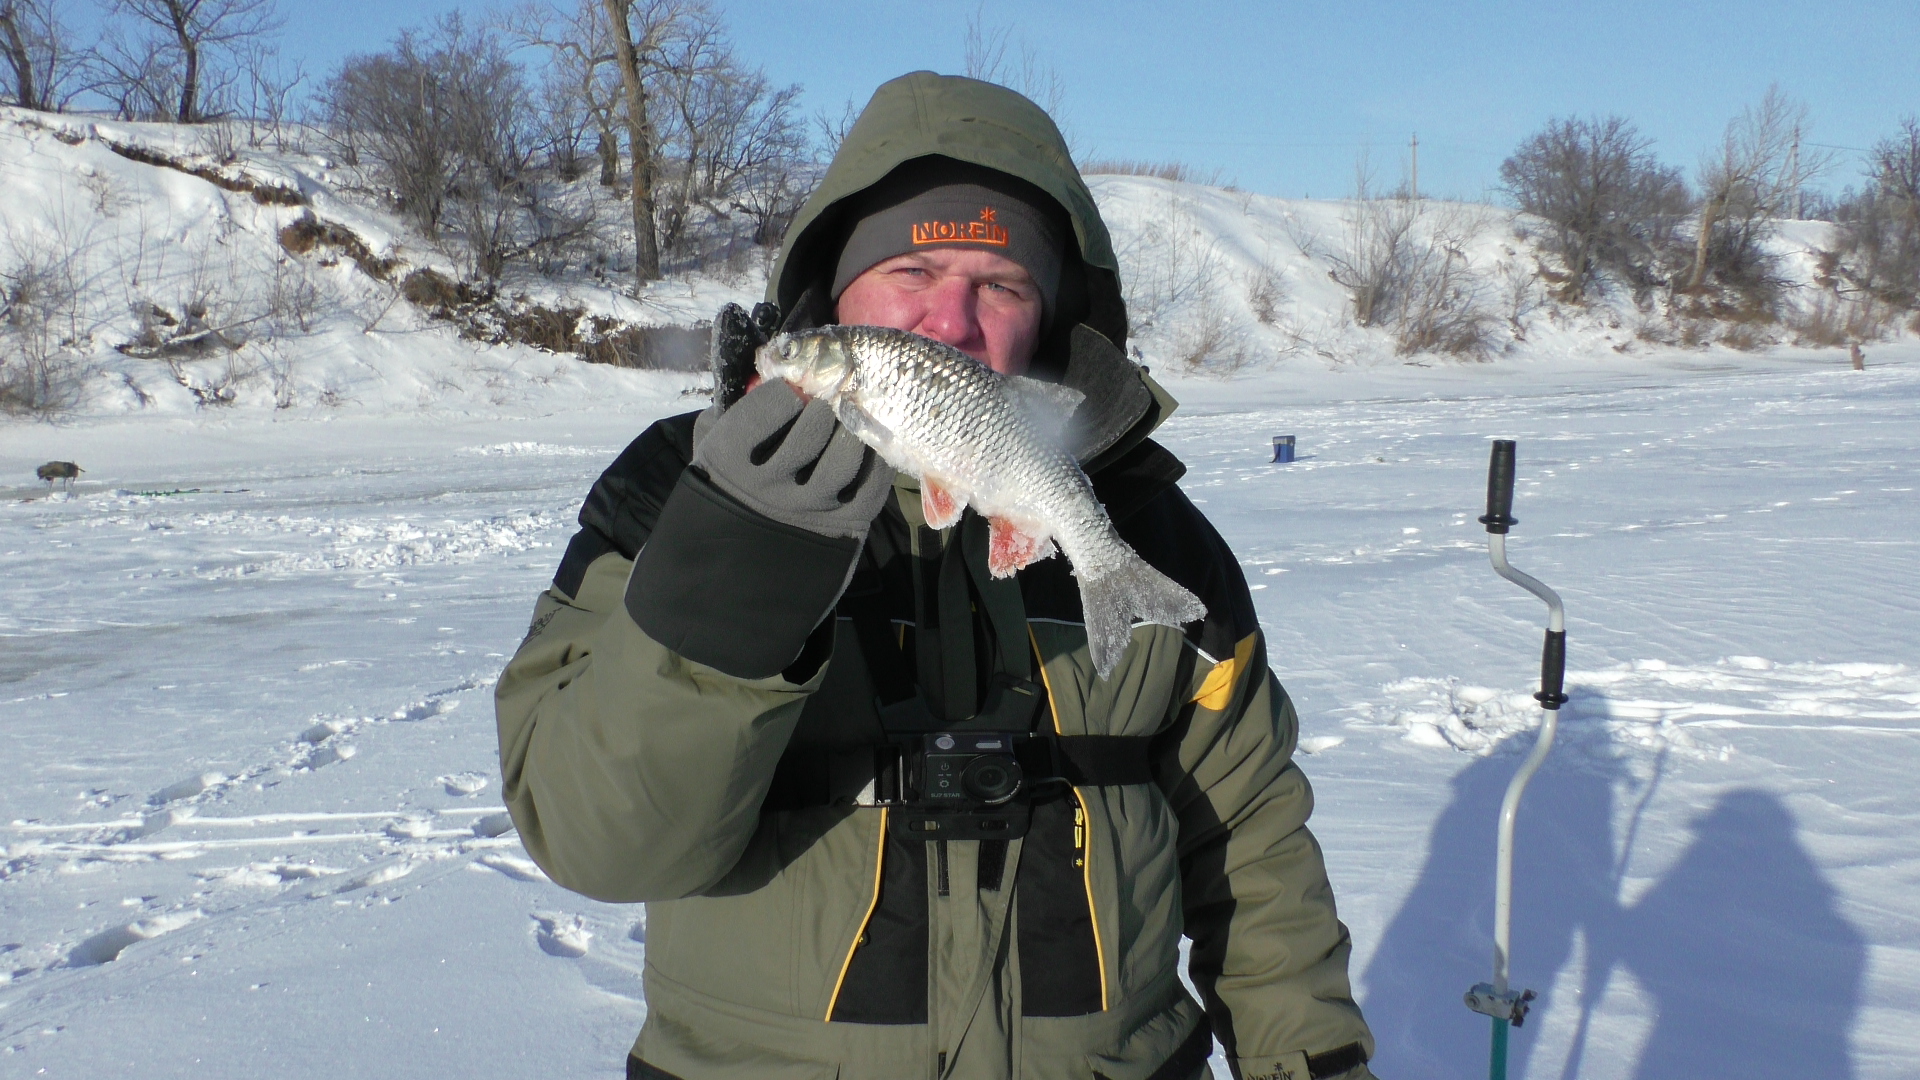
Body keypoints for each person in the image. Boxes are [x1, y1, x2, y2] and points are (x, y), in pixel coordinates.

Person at [496, 71, 1377, 1080]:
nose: (950, 324)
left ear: (1049, 318)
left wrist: (1314, 1059)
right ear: (837, 295)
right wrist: (736, 566)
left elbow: (1253, 834)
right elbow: (598, 843)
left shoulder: (1151, 531)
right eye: (912, 274)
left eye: (1000, 284)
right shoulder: (682, 492)